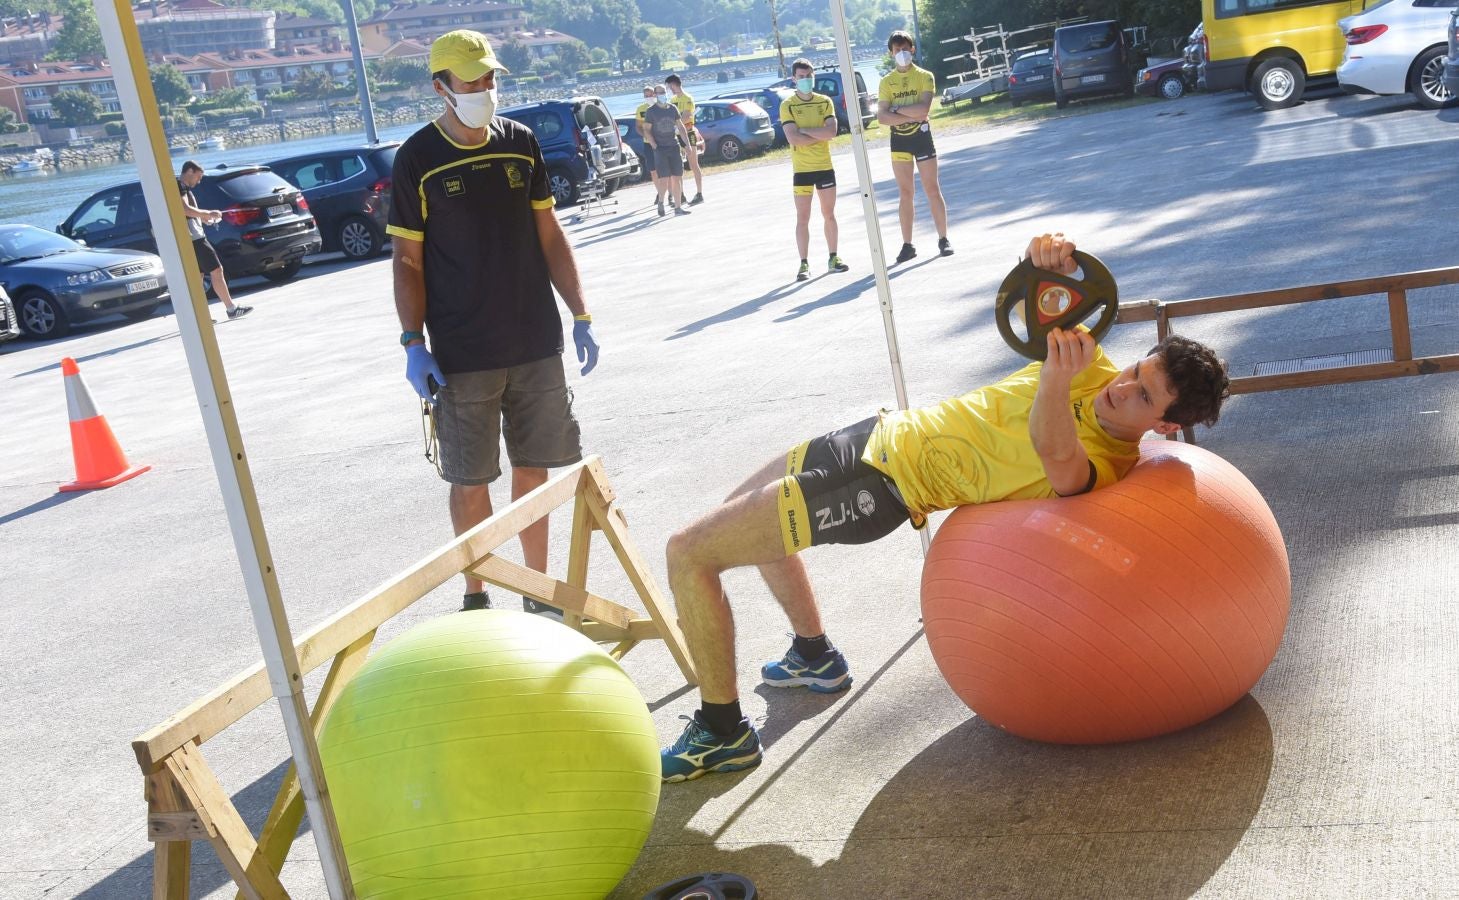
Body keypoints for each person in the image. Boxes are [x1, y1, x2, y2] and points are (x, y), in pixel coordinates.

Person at [657, 233, 1232, 782]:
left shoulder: (1106, 462)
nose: (1122, 387)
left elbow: (1056, 453)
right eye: (1137, 371)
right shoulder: (1097, 369)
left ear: (1164, 425)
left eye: (1144, 396)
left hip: (881, 486)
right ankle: (815, 656)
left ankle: (722, 730)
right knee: (739, 519)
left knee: (690, 553)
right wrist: (1051, 261)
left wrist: (1057, 379)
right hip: (868, 437)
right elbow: (1047, 300)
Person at [387, 30, 601, 618]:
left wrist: (579, 311)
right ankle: (477, 597)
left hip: (535, 340)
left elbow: (549, 233)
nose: (484, 89)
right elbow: (406, 261)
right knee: (471, 478)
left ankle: (539, 594)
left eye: (489, 78)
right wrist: (413, 342)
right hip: (460, 352)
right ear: (440, 87)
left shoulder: (521, 143)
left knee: (535, 469)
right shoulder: (417, 160)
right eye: (470, 80)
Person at [876, 31, 952, 264]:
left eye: (905, 49)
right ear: (891, 53)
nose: (902, 53)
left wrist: (897, 109)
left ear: (913, 49)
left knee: (931, 188)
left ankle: (943, 239)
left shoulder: (925, 76)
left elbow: (924, 111)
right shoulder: (886, 82)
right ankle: (907, 245)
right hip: (899, 141)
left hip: (922, 138)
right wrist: (907, 114)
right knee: (905, 193)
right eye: (897, 50)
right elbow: (881, 117)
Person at [780, 58, 849, 282]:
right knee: (803, 217)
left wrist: (805, 131)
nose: (806, 80)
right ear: (794, 79)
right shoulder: (787, 105)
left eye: (809, 76)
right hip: (802, 170)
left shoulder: (825, 102)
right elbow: (792, 138)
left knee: (829, 214)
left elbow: (831, 132)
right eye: (801, 77)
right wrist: (815, 133)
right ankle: (803, 263)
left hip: (824, 166)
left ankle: (833, 257)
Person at [178, 160, 251, 320]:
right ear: (189, 171)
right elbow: (185, 210)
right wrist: (208, 213)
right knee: (217, 270)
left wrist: (203, 218)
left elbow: (186, 214)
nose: (199, 181)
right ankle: (231, 309)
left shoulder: (183, 187)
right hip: (195, 238)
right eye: (198, 177)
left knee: (198, 277)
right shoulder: (181, 186)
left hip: (192, 236)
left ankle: (200, 316)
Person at [642, 85, 694, 218]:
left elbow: (681, 127)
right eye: (659, 93)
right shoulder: (651, 111)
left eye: (664, 92)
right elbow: (646, 130)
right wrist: (654, 145)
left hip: (673, 146)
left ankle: (678, 207)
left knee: (677, 177)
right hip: (660, 149)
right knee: (664, 179)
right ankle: (661, 201)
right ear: (655, 94)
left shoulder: (672, 108)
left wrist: (687, 144)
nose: (662, 95)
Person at [665, 73, 704, 205]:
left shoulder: (688, 98)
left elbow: (687, 115)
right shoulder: (672, 100)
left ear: (674, 84)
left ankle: (699, 193)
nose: (669, 89)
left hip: (689, 133)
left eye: (670, 86)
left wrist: (678, 126)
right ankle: (680, 195)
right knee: (677, 166)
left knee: (693, 163)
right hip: (676, 135)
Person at [636, 85, 666, 205]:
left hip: (662, 142)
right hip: (648, 144)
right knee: (653, 171)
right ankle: (660, 194)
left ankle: (668, 193)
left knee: (664, 169)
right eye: (646, 96)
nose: (648, 97)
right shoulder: (641, 109)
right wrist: (645, 135)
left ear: (655, 94)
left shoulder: (661, 106)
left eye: (650, 95)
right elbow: (638, 127)